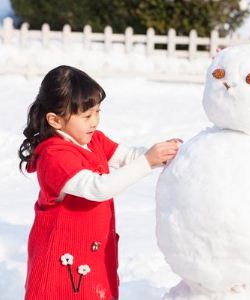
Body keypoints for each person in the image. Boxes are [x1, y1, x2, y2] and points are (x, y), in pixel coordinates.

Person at [19, 65, 181, 299]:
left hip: (91, 253)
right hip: (60, 259)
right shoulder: (54, 156)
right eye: (86, 116)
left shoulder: (93, 140)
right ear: (55, 120)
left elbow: (127, 157)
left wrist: (162, 154)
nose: (94, 122)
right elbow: (97, 188)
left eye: (97, 112)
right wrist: (147, 161)